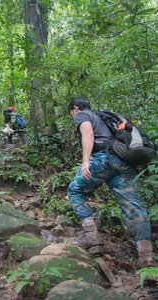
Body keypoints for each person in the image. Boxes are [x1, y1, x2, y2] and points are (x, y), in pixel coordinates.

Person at [67, 96, 155, 268]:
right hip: (123, 163)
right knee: (133, 207)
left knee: (75, 191)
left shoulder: (81, 114)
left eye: (72, 112)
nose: (73, 116)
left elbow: (88, 133)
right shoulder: (102, 118)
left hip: (102, 159)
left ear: (75, 108)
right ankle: (146, 257)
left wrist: (85, 161)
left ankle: (91, 237)